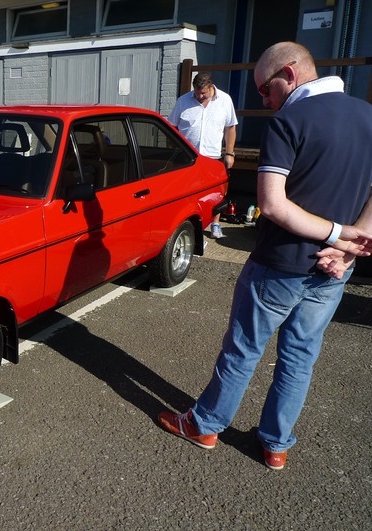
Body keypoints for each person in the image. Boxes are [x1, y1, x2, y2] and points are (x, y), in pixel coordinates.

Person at [157, 42, 372, 471]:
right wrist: (350, 247)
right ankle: (276, 444)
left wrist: (341, 234)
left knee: (243, 350)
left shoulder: (289, 120)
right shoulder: (368, 116)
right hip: (334, 270)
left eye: (264, 88)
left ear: (289, 75)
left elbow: (272, 205)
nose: (264, 98)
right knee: (300, 356)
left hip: (279, 265)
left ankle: (205, 425)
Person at [169, 72, 238, 239]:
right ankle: (189, 224)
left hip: (212, 157)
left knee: (215, 193)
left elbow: (230, 128)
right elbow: (172, 128)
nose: (199, 96)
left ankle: (215, 224)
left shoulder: (225, 100)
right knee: (187, 193)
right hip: (188, 157)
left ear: (211, 87)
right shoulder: (183, 101)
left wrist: (229, 152)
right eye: (197, 92)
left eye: (203, 93)